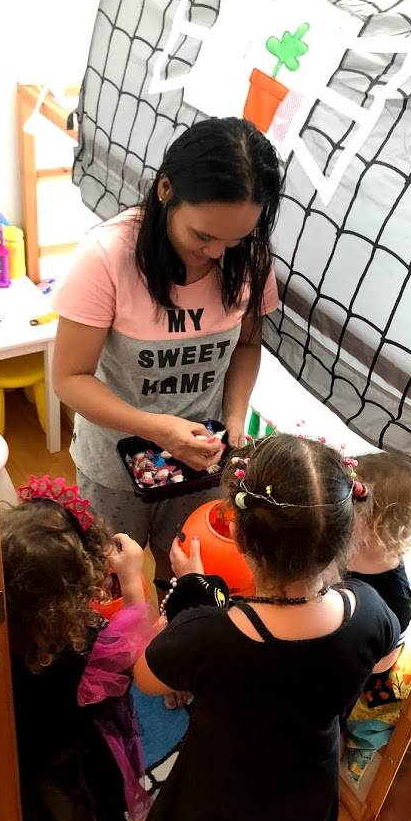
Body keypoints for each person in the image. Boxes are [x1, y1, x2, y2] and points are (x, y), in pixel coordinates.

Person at [129, 434, 401, 821]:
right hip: (305, 789)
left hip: (222, 791)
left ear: (238, 535)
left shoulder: (206, 633)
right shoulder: (370, 610)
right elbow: (383, 660)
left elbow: (146, 677)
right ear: (346, 534)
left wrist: (189, 587)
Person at [51, 117, 283, 581]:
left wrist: (235, 419)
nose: (218, 253)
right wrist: (157, 429)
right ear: (165, 190)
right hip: (115, 465)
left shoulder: (250, 258)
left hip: (201, 464)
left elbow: (246, 345)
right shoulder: (107, 256)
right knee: (111, 585)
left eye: (236, 238)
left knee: (187, 583)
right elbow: (69, 379)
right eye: (203, 236)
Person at [1, 475, 147, 821]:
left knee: (30, 805)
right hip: (72, 762)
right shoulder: (85, 647)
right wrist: (133, 580)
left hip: (17, 747)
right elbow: (136, 653)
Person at [343, 451, 411, 637]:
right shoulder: (335, 542)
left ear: (382, 523)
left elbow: (387, 650)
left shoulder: (395, 601)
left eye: (347, 505)